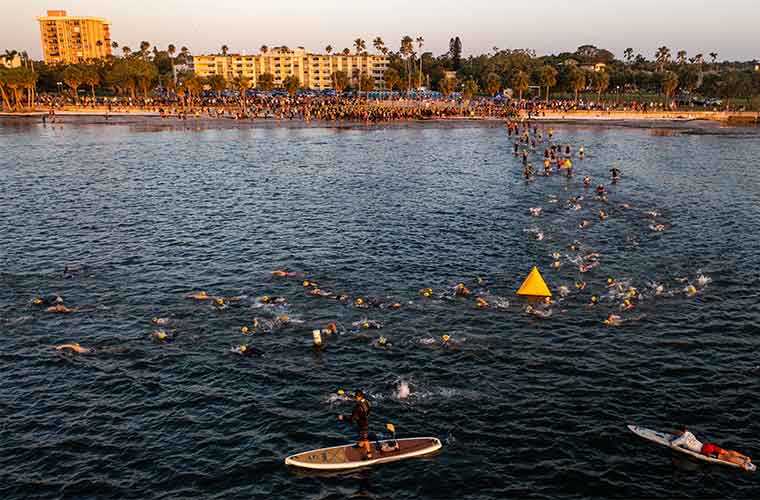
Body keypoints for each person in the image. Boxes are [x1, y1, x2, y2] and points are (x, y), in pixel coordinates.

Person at [338, 390, 373, 459]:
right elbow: (368, 410)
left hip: (362, 424)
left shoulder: (357, 407)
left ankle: (369, 454)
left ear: (358, 397)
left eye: (356, 397)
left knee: (365, 438)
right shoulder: (368, 402)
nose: (355, 399)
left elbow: (352, 419)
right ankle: (361, 444)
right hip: (366, 421)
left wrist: (343, 417)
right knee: (362, 435)